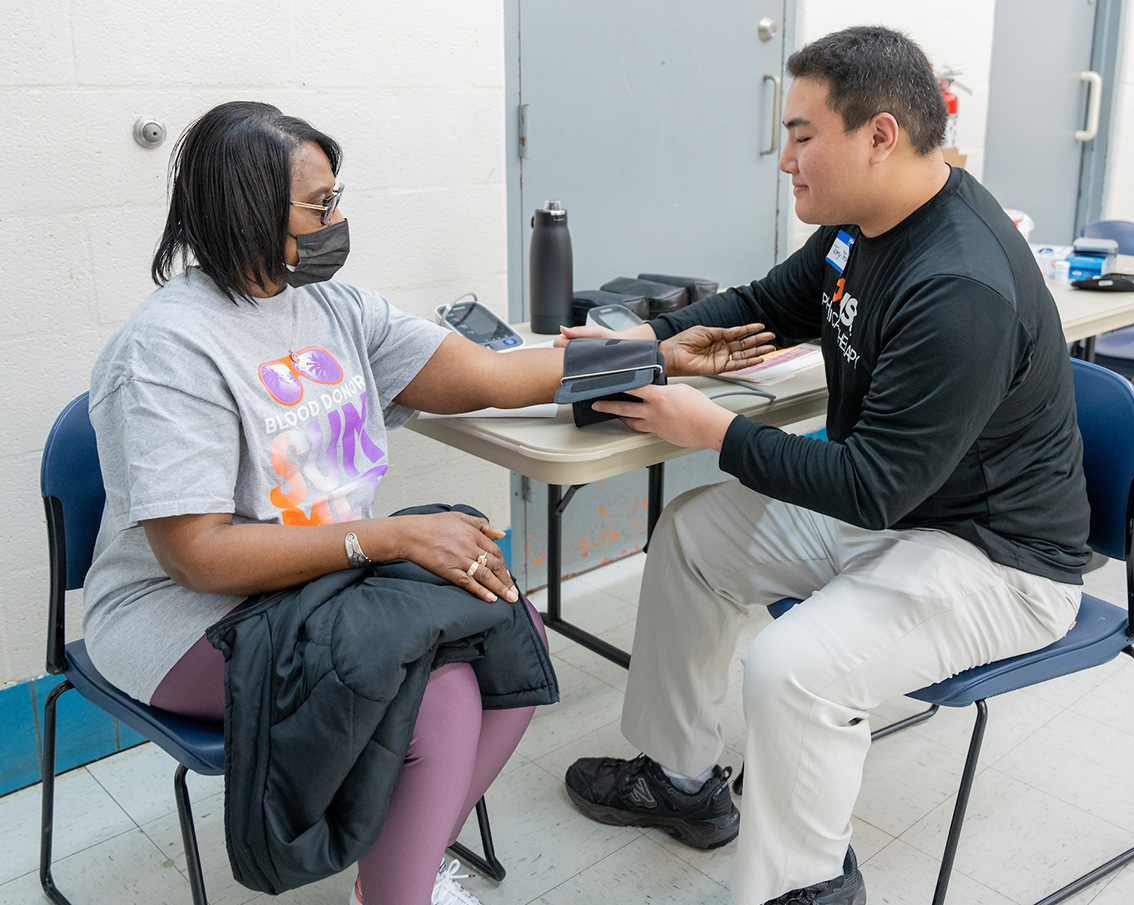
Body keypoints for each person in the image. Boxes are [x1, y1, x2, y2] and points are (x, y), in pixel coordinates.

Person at [82, 101, 772, 905]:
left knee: (515, 635)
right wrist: (391, 539)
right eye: (320, 205)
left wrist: (655, 353)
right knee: (436, 694)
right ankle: (396, 884)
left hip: (324, 587)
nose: (338, 219)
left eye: (336, 198)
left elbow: (492, 375)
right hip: (190, 619)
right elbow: (195, 555)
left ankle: (397, 865)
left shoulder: (337, 310)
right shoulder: (169, 348)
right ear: (247, 211)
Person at [561, 26, 1091, 905]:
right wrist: (648, 338)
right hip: (905, 510)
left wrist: (714, 433)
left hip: (998, 558)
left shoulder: (960, 285)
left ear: (879, 135)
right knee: (694, 533)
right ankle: (681, 778)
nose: (785, 160)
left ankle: (804, 888)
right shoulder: (859, 227)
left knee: (793, 666)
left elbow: (870, 488)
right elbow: (769, 303)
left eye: (804, 135)